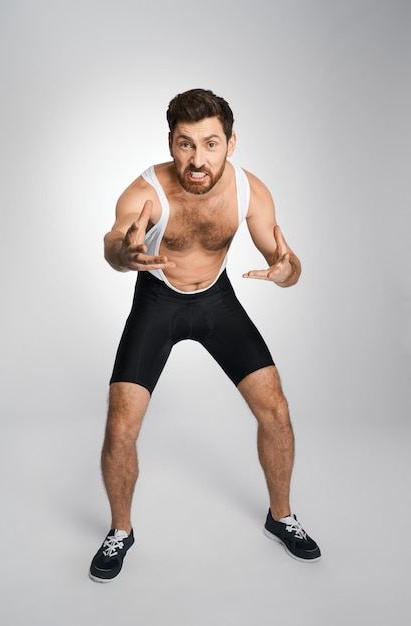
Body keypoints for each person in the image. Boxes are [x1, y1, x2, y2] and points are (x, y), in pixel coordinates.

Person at [89, 88, 321, 583]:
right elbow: (114, 241)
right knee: (120, 427)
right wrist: (124, 256)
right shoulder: (147, 190)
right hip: (158, 304)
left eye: (210, 144)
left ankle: (281, 517)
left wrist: (287, 271)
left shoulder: (249, 190)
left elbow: (285, 258)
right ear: (171, 143)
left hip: (216, 303)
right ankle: (120, 531)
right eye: (186, 144)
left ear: (231, 144)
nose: (197, 159)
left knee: (275, 409)